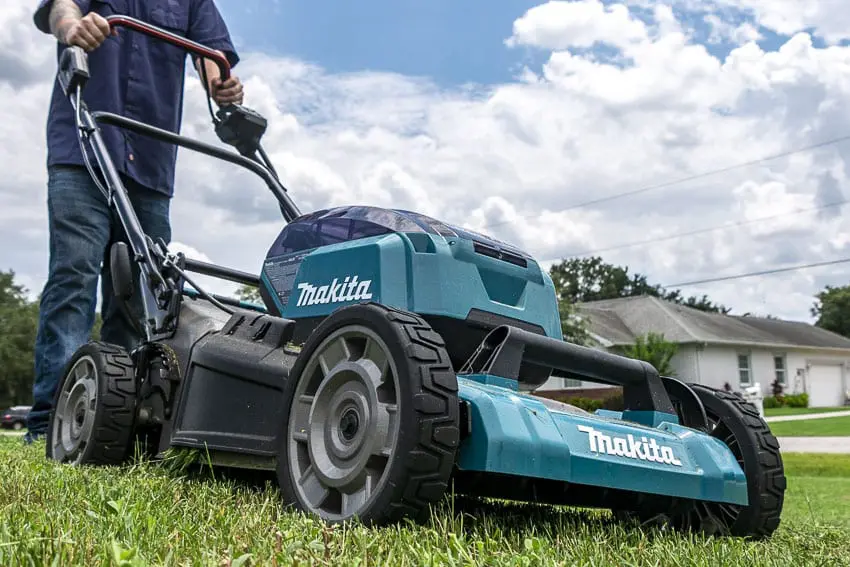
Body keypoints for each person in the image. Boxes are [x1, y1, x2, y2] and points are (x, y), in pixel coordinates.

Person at [25, 0, 244, 443]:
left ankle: (112, 421)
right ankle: (49, 423)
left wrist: (219, 83)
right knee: (74, 277)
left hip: (150, 157)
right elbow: (61, 9)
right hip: (83, 146)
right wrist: (72, 28)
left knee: (138, 298)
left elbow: (210, 52)